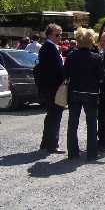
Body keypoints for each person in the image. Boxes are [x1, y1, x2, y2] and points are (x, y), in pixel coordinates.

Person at [65, 28, 104, 161]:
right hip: (91, 93)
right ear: (91, 41)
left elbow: (66, 74)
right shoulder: (96, 57)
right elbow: (101, 76)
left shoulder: (71, 56)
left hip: (75, 92)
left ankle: (72, 152)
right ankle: (92, 153)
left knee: (73, 123)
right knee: (92, 123)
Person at [38, 23, 65, 153]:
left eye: (60, 34)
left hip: (49, 86)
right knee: (55, 115)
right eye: (57, 35)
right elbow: (56, 69)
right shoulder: (49, 47)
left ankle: (45, 143)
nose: (60, 37)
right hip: (53, 87)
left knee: (51, 115)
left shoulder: (49, 47)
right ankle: (52, 144)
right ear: (49, 35)